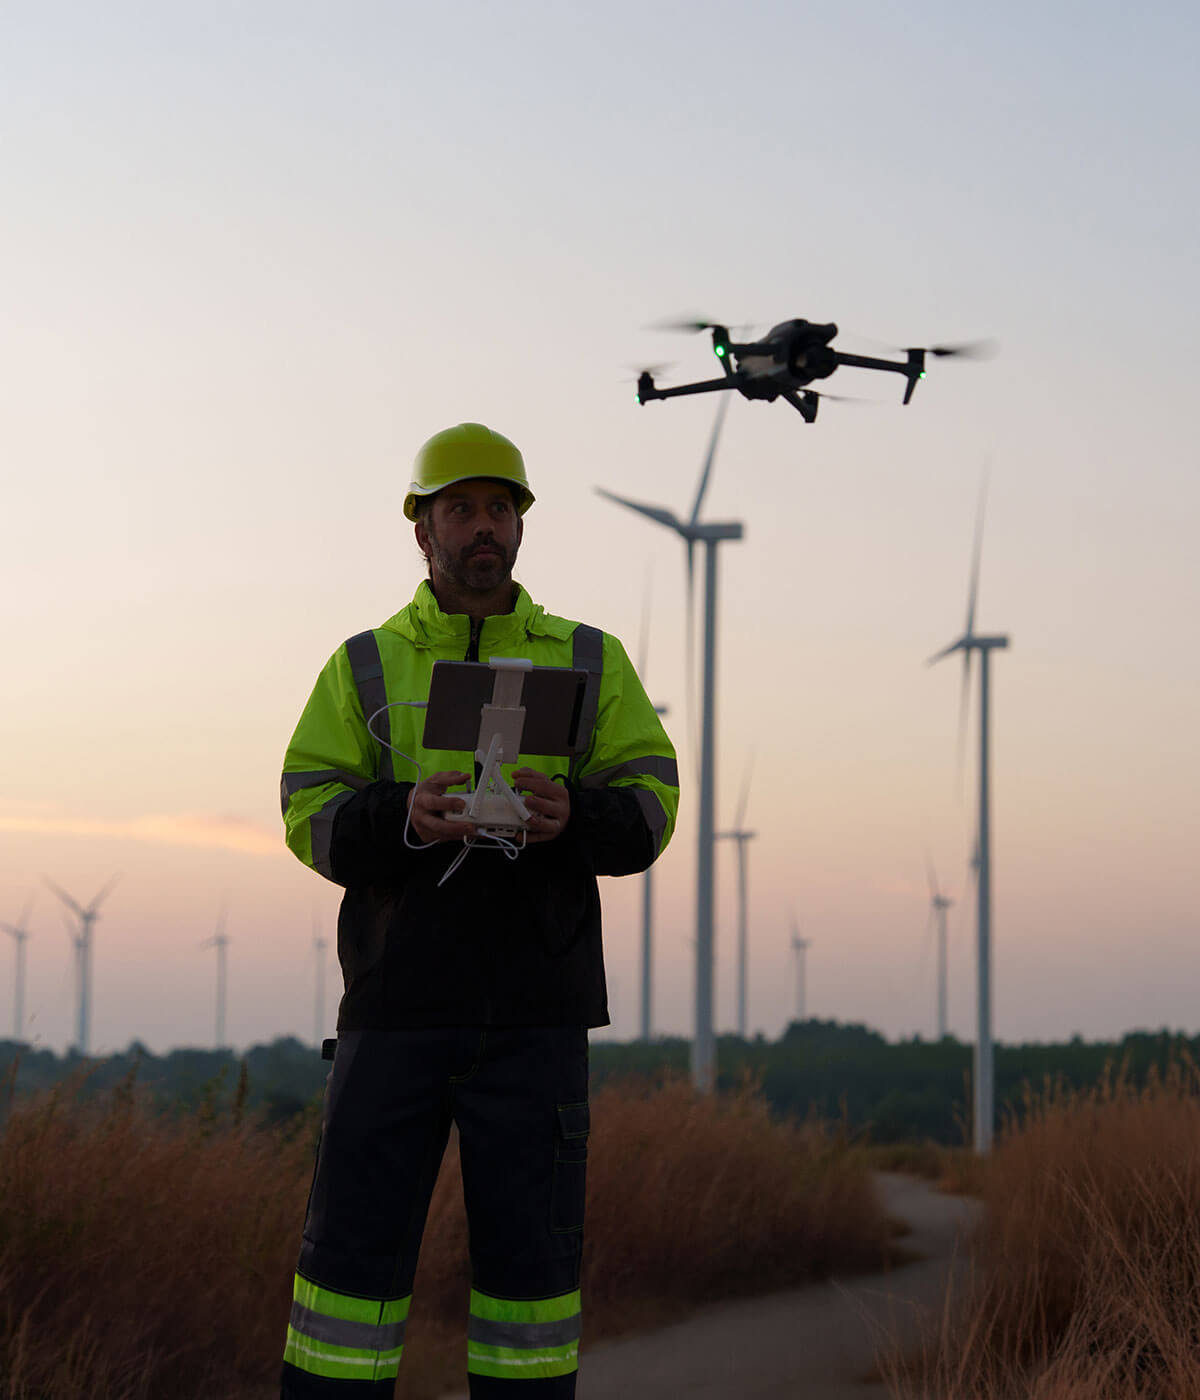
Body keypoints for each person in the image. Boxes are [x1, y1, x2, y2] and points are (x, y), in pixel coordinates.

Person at [278, 422, 679, 1398]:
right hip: (396, 1004)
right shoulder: (363, 665)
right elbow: (307, 811)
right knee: (347, 1273)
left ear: (521, 524)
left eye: (500, 507)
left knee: (531, 1287)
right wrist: (403, 815)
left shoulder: (592, 656)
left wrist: (573, 813)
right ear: (422, 528)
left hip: (535, 1013)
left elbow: (653, 805)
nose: (482, 526)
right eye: (459, 507)